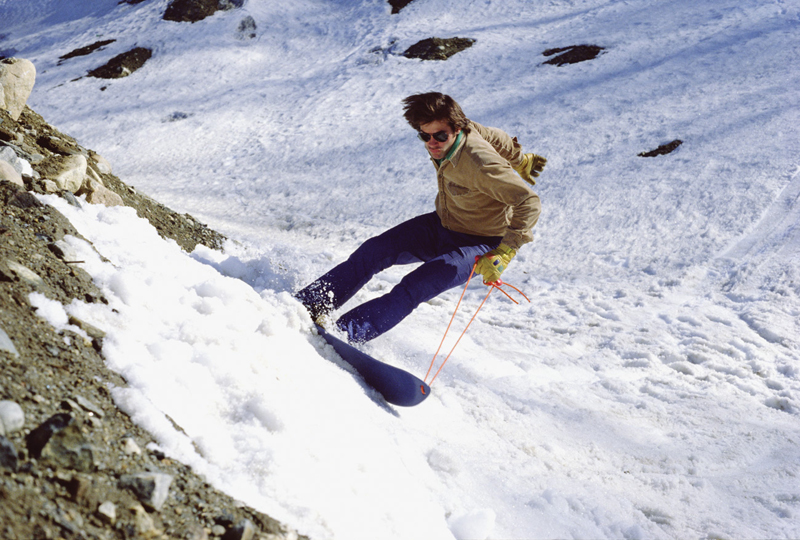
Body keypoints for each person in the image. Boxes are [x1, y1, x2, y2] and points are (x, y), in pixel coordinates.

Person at [295, 92, 545, 343]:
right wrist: (520, 160)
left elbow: (528, 201)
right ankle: (307, 306)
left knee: (415, 286)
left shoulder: (481, 163)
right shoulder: (466, 129)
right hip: (442, 225)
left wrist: (505, 251)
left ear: (457, 129)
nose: (432, 143)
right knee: (373, 251)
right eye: (425, 136)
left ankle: (346, 333)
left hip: (479, 244)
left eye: (440, 136)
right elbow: (496, 137)